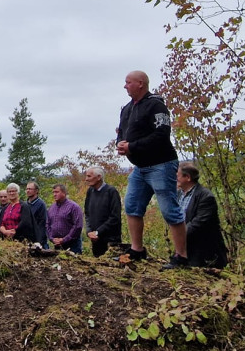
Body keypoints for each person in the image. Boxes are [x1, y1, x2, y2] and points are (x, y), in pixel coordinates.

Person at [116, 70, 186, 265]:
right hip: (140, 167)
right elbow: (121, 132)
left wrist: (133, 146)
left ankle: (182, 256)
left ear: (140, 83)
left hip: (161, 165)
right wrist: (121, 144)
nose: (125, 86)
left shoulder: (156, 105)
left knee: (169, 210)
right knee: (131, 205)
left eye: (128, 82)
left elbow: (161, 134)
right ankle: (137, 250)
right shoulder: (127, 108)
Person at [177, 163, 227, 268]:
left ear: (187, 177)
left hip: (204, 252)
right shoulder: (179, 194)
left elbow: (199, 223)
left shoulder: (206, 196)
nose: (175, 178)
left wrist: (178, 233)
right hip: (186, 248)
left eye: (178, 175)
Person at [83, 166, 122, 257]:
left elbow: (115, 217)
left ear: (99, 177)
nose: (86, 179)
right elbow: (87, 213)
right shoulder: (90, 191)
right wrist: (89, 231)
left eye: (89, 176)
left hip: (110, 240)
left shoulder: (111, 192)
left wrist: (98, 232)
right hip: (95, 241)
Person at [48, 183, 84, 253]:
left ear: (64, 193)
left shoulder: (74, 207)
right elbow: (47, 224)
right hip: (57, 245)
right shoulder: (51, 208)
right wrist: (52, 238)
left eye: (57, 192)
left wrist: (64, 239)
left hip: (73, 245)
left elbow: (78, 226)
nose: (54, 194)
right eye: (53, 192)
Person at [22, 181, 49, 246]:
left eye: (30, 189)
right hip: (27, 237)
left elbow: (42, 223)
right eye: (27, 189)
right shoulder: (25, 204)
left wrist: (39, 240)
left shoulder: (41, 204)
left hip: (38, 238)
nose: (28, 191)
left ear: (36, 191)